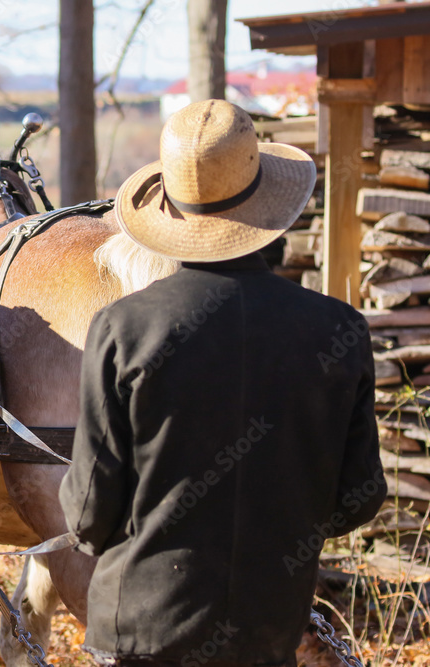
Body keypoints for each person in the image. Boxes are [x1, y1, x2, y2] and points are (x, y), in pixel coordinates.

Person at [58, 99, 386, 667]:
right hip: (270, 630)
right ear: (267, 210)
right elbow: (357, 498)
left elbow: (89, 510)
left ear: (171, 215)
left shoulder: (123, 328)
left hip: (141, 628)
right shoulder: (339, 330)